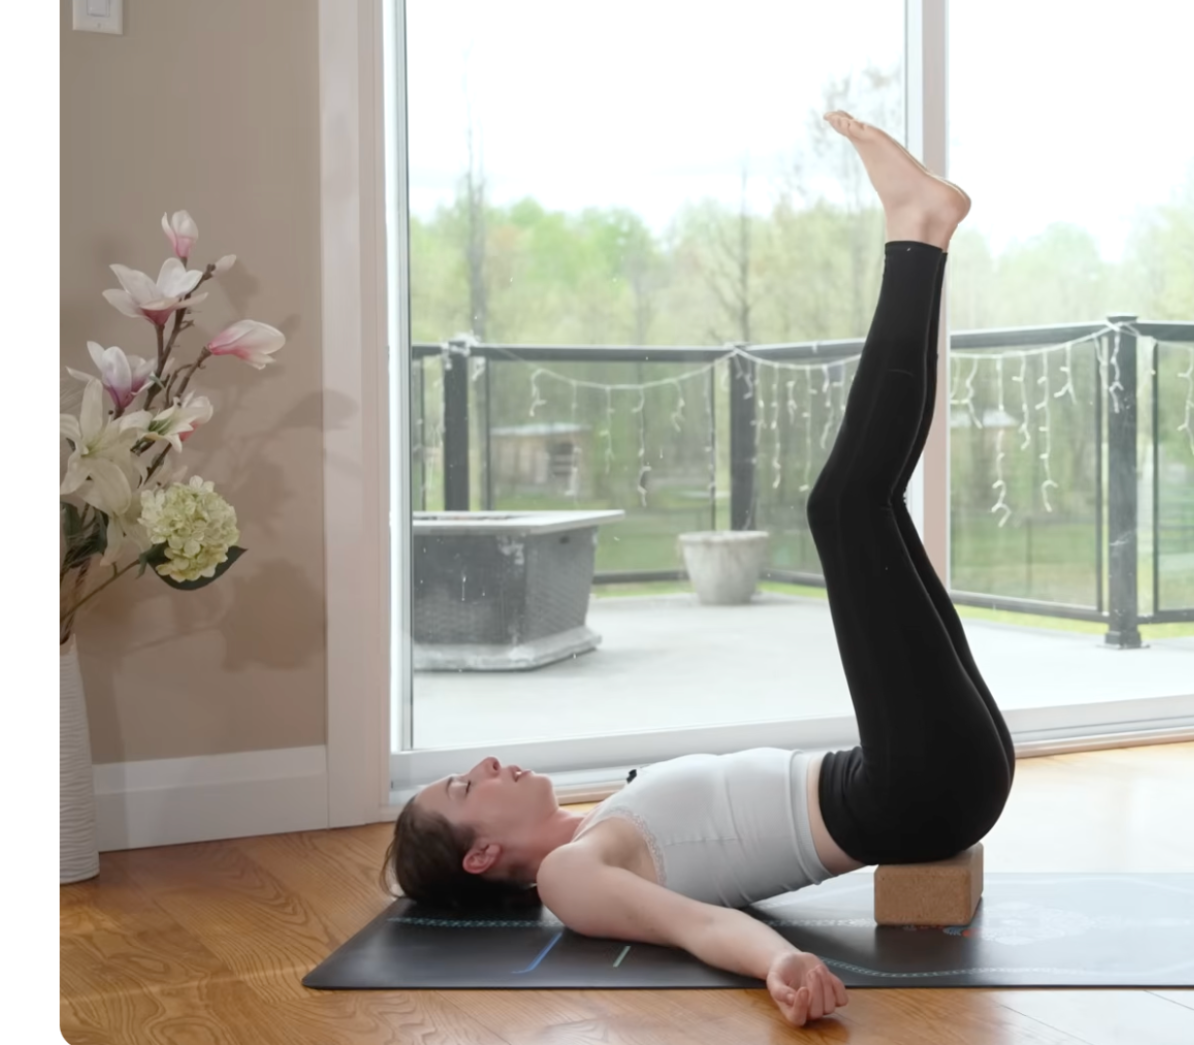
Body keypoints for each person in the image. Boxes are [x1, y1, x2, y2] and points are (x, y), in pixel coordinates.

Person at [381, 111, 1014, 1028]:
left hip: (927, 775)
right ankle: (916, 231)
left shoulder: (601, 824)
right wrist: (782, 963)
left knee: (868, 504)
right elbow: (695, 925)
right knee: (846, 508)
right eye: (464, 788)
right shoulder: (570, 876)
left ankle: (924, 228)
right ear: (480, 857)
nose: (482, 765)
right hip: (914, 790)